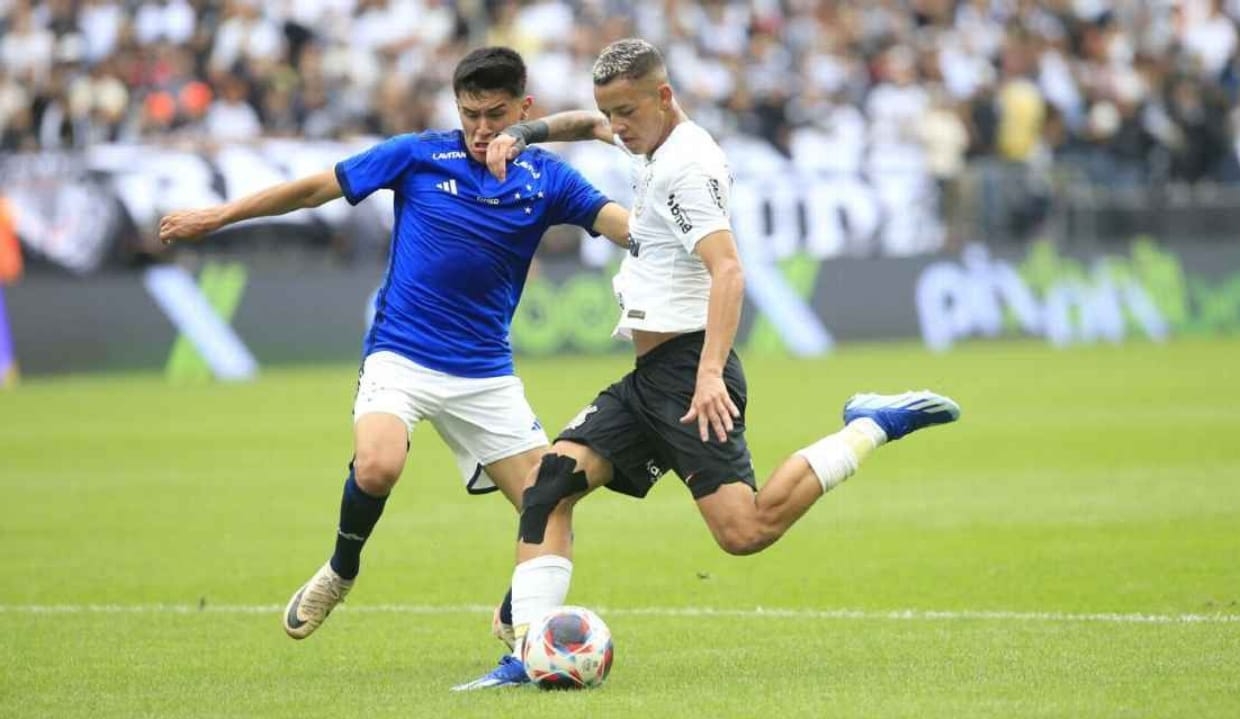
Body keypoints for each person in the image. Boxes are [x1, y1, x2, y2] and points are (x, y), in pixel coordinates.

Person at [452, 38, 961, 691]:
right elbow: (584, 124)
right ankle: (527, 647)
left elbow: (729, 270)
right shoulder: (650, 136)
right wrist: (524, 131)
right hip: (649, 382)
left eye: (626, 112)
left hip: (690, 375)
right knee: (550, 483)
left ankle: (869, 424)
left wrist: (712, 372)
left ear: (664, 97)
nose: (617, 126)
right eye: (612, 112)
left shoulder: (686, 170)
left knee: (745, 529)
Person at [158, 47, 631, 640]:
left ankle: (519, 623)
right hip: (402, 353)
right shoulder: (418, 155)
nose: (482, 129)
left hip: (485, 372)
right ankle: (340, 569)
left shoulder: (549, 178)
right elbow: (313, 190)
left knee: (550, 502)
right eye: (470, 114)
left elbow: (623, 226)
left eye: (496, 114)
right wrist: (217, 218)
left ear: (524, 108)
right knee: (379, 465)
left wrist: (679, 222)